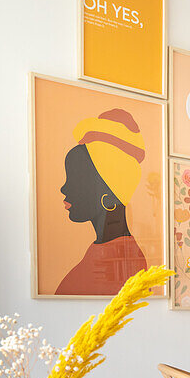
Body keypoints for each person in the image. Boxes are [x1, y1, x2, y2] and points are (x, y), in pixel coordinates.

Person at [55, 108, 148, 295]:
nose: (63, 189)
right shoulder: (106, 253)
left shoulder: (116, 260)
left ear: (109, 198)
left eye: (75, 180)